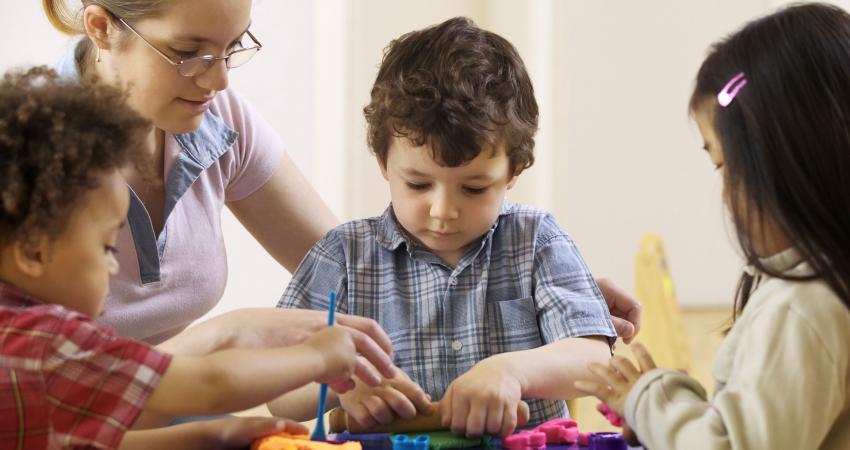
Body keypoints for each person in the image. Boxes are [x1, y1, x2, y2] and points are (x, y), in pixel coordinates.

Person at [41, 0, 641, 360]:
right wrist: (226, 337)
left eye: (232, 47)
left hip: (172, 417)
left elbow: (371, 272)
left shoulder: (218, 120)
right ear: (100, 27)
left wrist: (548, 283)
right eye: (189, 51)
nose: (218, 79)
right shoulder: (25, 151)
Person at [0, 66, 381, 450]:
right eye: (107, 248)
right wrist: (317, 357)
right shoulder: (47, 344)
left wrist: (209, 433)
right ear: (34, 251)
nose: (112, 266)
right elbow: (210, 384)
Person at [274, 17, 617, 438]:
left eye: (473, 189)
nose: (443, 210)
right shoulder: (342, 255)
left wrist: (511, 371)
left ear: (514, 170)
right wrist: (343, 381)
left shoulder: (536, 240)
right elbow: (279, 386)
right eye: (418, 184)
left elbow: (595, 360)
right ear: (383, 162)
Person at [574, 3, 850, 449]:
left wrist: (648, 400)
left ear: (786, 163)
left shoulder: (801, 308)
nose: (723, 193)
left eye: (724, 165)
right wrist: (668, 415)